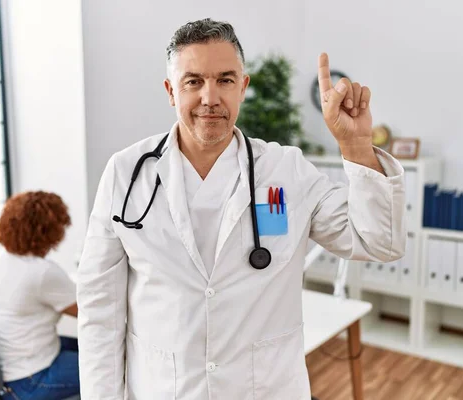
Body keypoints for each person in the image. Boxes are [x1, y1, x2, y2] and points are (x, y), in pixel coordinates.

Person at [77, 18, 406, 400]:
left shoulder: (287, 171)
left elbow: (379, 242)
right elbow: (100, 311)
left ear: (243, 87)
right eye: (193, 81)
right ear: (171, 91)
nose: (210, 97)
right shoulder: (126, 174)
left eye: (225, 80)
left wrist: (356, 147)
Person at [0, 191, 80, 400]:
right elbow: (89, 312)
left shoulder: (7, 260)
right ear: (50, 231)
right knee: (113, 364)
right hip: (30, 379)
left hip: (8, 369)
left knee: (91, 346)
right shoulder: (42, 271)